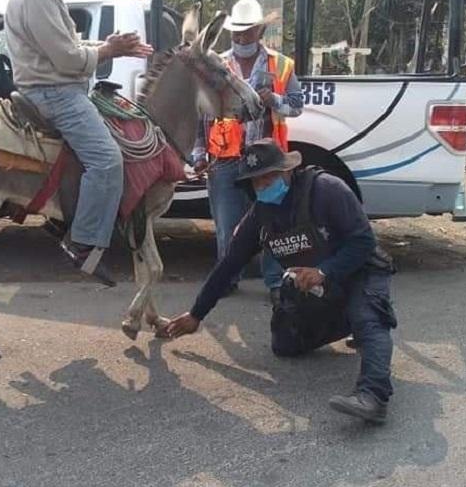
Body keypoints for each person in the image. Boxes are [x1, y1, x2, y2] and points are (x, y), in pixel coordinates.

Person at [162, 139, 398, 424]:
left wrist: (325, 271)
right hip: (315, 286)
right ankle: (347, 321)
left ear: (287, 171)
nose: (264, 184)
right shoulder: (260, 215)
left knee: (369, 317)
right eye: (257, 181)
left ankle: (373, 396)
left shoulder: (327, 190)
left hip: (360, 269)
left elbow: (363, 241)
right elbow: (228, 266)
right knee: (285, 345)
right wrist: (196, 314)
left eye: (271, 176)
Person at [4, 0, 153, 285]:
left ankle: (68, 216)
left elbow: (70, 47)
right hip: (56, 94)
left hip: (56, 89)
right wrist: (109, 49)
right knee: (106, 161)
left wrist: (108, 45)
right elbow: (68, 61)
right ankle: (82, 242)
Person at [192, 0, 304, 295]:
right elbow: (202, 112)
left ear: (259, 32)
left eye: (247, 32)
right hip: (226, 158)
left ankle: (275, 281)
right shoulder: (218, 64)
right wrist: (199, 152)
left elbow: (297, 106)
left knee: (272, 220)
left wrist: (275, 101)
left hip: (268, 158)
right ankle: (228, 277)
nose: (241, 38)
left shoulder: (281, 65)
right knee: (228, 224)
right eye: (236, 33)